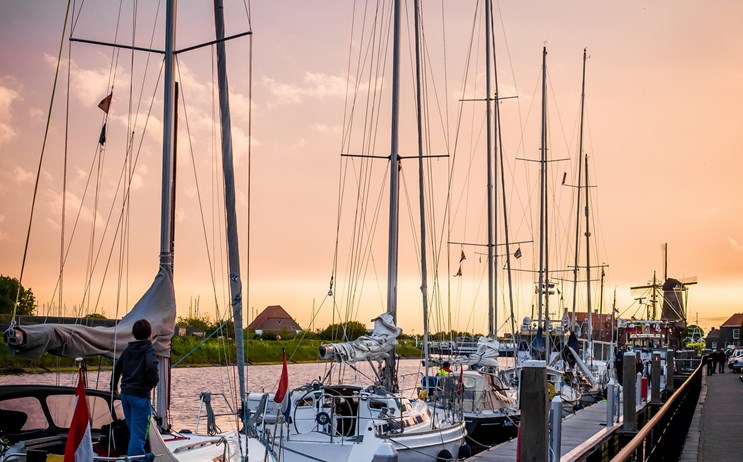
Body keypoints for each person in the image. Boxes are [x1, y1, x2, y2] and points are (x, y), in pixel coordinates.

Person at [112, 319, 159, 461]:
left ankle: (141, 456)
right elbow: (151, 366)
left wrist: (113, 387)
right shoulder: (148, 348)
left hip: (126, 395)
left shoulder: (128, 349)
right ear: (150, 334)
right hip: (140, 396)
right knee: (139, 434)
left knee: (134, 431)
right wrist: (152, 383)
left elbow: (117, 368)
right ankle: (137, 459)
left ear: (133, 333)